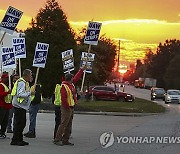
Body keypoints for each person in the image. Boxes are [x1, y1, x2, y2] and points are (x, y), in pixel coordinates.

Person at [54, 65, 86, 146]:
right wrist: (67, 107)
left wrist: (81, 70)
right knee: (64, 123)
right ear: (70, 79)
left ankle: (65, 139)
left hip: (71, 106)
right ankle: (57, 139)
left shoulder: (71, 85)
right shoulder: (64, 86)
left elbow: (76, 78)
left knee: (69, 124)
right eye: (72, 78)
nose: (73, 79)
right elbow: (63, 98)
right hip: (66, 107)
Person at [10, 69, 35, 146]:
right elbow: (20, 94)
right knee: (19, 124)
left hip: (21, 106)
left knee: (21, 123)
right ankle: (15, 140)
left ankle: (19, 139)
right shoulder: (22, 83)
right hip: (19, 106)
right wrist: (30, 93)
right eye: (30, 75)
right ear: (27, 75)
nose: (31, 76)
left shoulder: (25, 83)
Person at [0, 73, 12, 139]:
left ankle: (2, 133)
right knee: (1, 120)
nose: (7, 79)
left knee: (5, 121)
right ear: (3, 78)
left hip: (7, 106)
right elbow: (0, 94)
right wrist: (7, 92)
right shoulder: (1, 85)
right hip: (2, 106)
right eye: (6, 78)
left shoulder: (6, 85)